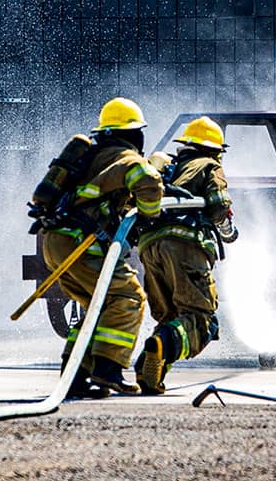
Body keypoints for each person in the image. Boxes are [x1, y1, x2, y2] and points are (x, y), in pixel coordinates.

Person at [35, 97, 163, 398]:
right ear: (134, 133)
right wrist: (149, 213)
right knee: (128, 296)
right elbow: (147, 182)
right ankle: (109, 369)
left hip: (54, 240)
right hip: (81, 242)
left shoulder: (92, 155)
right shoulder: (125, 157)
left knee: (98, 306)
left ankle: (75, 374)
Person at [132, 116, 238, 395]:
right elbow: (218, 206)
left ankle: (147, 375)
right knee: (201, 319)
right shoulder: (209, 165)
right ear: (215, 150)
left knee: (171, 317)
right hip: (184, 245)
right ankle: (161, 346)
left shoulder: (167, 167)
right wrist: (230, 233)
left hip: (149, 247)